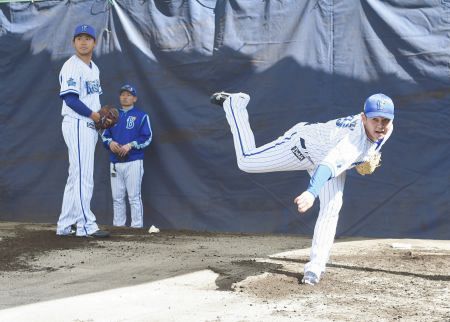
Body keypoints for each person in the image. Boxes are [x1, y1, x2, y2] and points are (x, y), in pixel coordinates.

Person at [210, 91, 394, 285]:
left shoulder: (386, 129)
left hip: (326, 154)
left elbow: (372, 142)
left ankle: (315, 268)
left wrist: (364, 158)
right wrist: (311, 192)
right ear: (363, 118)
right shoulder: (352, 142)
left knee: (332, 206)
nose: (381, 125)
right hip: (301, 147)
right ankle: (234, 104)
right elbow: (327, 166)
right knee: (247, 161)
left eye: (385, 120)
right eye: (375, 120)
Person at [56, 24, 109, 238]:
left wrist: (100, 119)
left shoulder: (94, 68)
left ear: (95, 43)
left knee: (75, 176)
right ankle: (86, 225)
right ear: (73, 42)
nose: (84, 41)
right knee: (83, 176)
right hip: (77, 123)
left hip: (87, 125)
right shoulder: (72, 66)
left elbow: (93, 101)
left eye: (88, 38)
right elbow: (70, 100)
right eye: (79, 38)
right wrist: (96, 116)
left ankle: (65, 224)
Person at [101, 85, 153, 228]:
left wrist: (131, 145)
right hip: (115, 161)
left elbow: (147, 138)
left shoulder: (141, 116)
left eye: (129, 95)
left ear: (134, 98)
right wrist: (110, 143)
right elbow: (105, 136)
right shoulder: (112, 115)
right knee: (117, 198)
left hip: (134, 160)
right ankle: (118, 228)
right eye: (123, 94)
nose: (125, 97)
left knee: (134, 197)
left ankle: (136, 228)